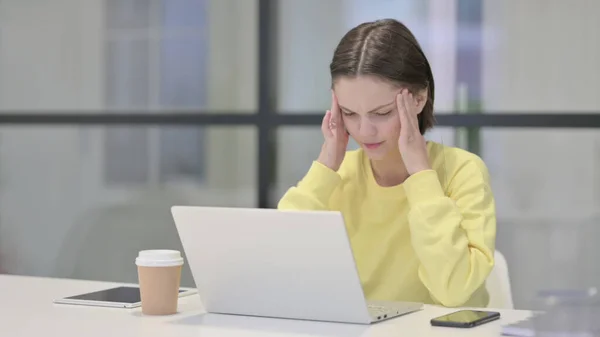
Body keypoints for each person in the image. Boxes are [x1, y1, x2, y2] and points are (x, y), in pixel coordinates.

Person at [277, 19, 496, 308]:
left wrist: (421, 175)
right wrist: (326, 165)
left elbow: (453, 291)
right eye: (349, 113)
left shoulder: (462, 171)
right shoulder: (337, 173)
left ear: (419, 98)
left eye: (381, 113)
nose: (364, 131)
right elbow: (278, 263)